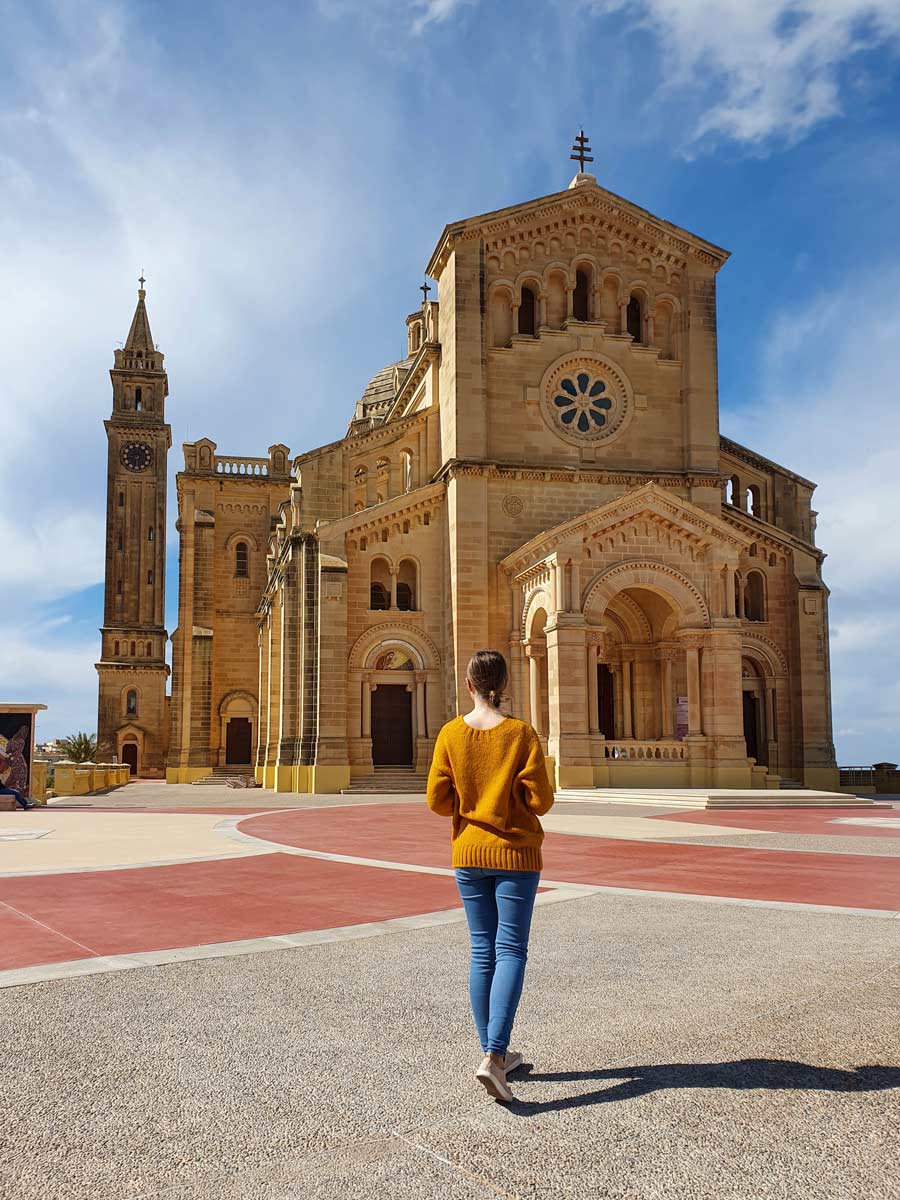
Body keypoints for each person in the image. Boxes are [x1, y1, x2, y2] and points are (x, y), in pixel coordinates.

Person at [426, 649, 554, 1102]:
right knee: (511, 950)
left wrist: (469, 801)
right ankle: (495, 1057)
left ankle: (493, 1053)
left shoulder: (450, 734)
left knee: (483, 950)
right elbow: (541, 800)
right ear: (504, 684)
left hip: (468, 853)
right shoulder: (521, 733)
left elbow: (438, 801)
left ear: (468, 684)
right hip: (515, 854)